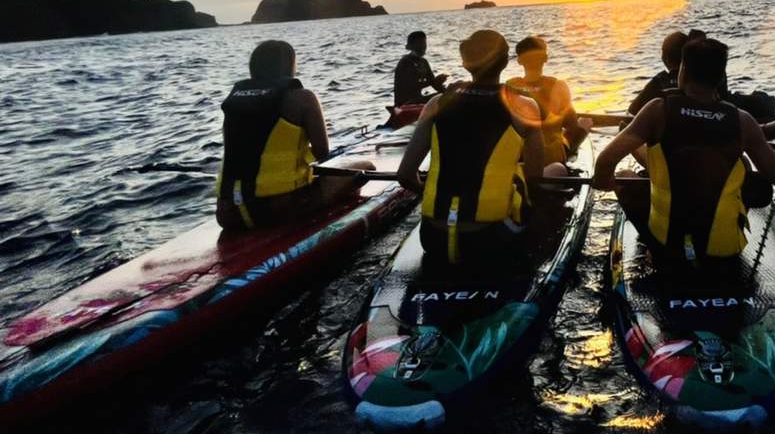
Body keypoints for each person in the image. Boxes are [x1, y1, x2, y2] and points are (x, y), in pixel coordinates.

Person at [594, 37, 775, 266]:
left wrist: (605, 181)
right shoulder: (742, 121)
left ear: (682, 71)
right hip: (723, 253)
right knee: (743, 168)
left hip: (668, 247)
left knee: (625, 176)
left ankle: (651, 247)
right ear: (720, 77)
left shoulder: (657, 110)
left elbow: (605, 162)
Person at [397, 30, 570, 265]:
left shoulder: (435, 104)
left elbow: (405, 175)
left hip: (433, 237)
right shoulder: (524, 107)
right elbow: (534, 177)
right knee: (557, 170)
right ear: (505, 61)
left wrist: (431, 192)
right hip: (492, 240)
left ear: (465, 63)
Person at [217, 40, 374, 230]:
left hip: (228, 213)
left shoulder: (234, 100)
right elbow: (322, 152)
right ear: (290, 65)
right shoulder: (303, 97)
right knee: (366, 167)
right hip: (283, 208)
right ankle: (339, 220)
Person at [505, 36, 588, 167]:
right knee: (584, 124)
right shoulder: (558, 86)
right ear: (545, 58)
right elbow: (571, 125)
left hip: (519, 155)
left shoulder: (510, 85)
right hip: (550, 157)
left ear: (519, 61)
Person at [393, 30, 448, 107]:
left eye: (424, 43)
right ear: (411, 46)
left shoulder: (424, 62)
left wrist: (446, 90)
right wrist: (432, 82)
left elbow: (434, 84)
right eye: (419, 43)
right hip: (405, 103)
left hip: (419, 99)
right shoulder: (405, 62)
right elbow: (410, 87)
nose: (423, 46)